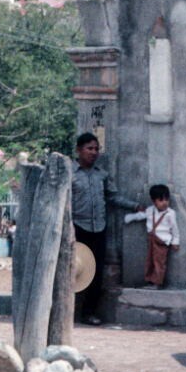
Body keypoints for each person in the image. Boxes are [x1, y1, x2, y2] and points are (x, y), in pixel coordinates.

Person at [72, 132, 142, 325]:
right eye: (89, 148)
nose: (93, 152)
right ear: (79, 150)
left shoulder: (101, 175)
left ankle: (89, 313)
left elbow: (113, 197)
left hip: (98, 229)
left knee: (95, 272)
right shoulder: (69, 174)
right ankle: (67, 311)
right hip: (76, 228)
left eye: (96, 149)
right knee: (72, 271)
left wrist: (135, 206)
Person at [125, 183, 180, 287]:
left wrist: (175, 242)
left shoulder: (170, 213)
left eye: (166, 199)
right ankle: (149, 280)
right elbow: (141, 215)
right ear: (154, 201)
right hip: (151, 240)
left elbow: (174, 229)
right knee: (150, 261)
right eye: (161, 200)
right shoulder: (150, 210)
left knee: (159, 262)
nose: (165, 202)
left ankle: (157, 283)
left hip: (162, 241)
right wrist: (130, 217)